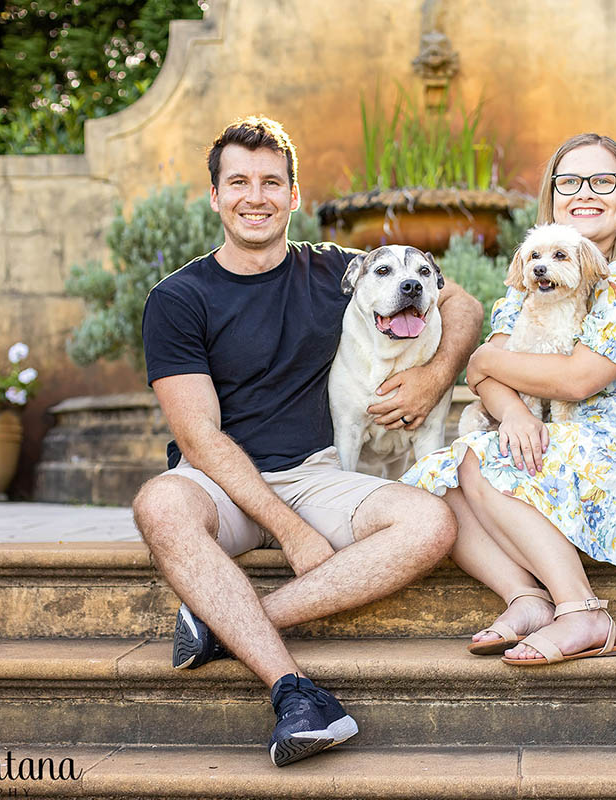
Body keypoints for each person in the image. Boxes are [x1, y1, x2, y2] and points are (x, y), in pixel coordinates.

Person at [132, 116, 482, 766]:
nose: (255, 196)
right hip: (222, 482)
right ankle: (293, 691)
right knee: (160, 504)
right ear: (215, 196)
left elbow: (461, 304)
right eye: (238, 181)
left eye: (271, 181)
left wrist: (435, 377)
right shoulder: (178, 298)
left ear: (295, 195)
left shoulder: (341, 271)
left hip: (321, 472)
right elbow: (200, 438)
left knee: (431, 521)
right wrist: (292, 532)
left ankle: (218, 620)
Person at [402, 132, 616, 666]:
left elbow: (574, 379)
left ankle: (582, 612)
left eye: (603, 181)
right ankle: (526, 599)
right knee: (445, 477)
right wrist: (510, 409)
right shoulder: (530, 286)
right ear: (551, 197)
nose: (585, 193)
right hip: (569, 443)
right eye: (569, 181)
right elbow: (488, 376)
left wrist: (484, 363)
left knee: (482, 462)